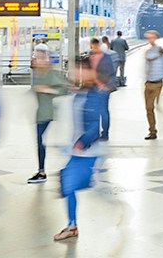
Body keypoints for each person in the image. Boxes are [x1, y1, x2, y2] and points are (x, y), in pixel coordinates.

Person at [53, 56, 108, 242]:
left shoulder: (94, 94)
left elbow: (95, 125)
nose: (75, 74)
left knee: (70, 185)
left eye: (79, 70)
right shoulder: (78, 92)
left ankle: (105, 198)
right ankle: (72, 225)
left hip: (87, 152)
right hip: (75, 152)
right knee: (68, 186)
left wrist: (82, 142)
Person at [28, 48, 69, 183]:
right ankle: (41, 170)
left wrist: (48, 90)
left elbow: (64, 89)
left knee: (44, 141)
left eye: (41, 58)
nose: (38, 60)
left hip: (50, 113)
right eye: (37, 57)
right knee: (40, 142)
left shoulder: (52, 73)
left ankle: (44, 171)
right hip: (40, 114)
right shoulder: (36, 74)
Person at [141, 30, 163, 139]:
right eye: (148, 38)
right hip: (148, 82)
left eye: (152, 37)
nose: (151, 40)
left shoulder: (162, 52)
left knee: (156, 106)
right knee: (149, 108)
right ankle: (152, 131)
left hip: (158, 83)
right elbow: (145, 67)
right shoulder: (147, 52)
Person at [88, 38, 116, 140]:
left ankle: (105, 134)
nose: (94, 47)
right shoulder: (88, 56)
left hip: (103, 88)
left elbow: (112, 73)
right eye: (93, 45)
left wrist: (106, 86)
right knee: (93, 112)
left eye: (96, 45)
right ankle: (94, 133)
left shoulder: (106, 57)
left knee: (103, 111)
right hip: (92, 87)